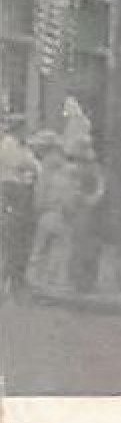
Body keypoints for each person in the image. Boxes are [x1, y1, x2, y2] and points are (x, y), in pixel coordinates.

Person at [28, 132, 75, 289]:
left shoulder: (46, 167)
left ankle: (36, 279)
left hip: (48, 212)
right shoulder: (66, 167)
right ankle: (52, 279)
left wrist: (37, 207)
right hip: (62, 212)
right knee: (59, 247)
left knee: (41, 247)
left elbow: (41, 191)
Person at [0, 116, 40, 300]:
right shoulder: (8, 144)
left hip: (22, 190)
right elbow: (22, 164)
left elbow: (36, 167)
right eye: (23, 128)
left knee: (21, 236)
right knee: (13, 235)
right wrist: (29, 169)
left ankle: (16, 279)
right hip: (10, 189)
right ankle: (10, 279)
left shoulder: (23, 146)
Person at [65, 137, 105, 292]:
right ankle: (81, 280)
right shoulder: (75, 169)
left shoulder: (93, 169)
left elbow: (100, 186)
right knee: (81, 245)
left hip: (88, 209)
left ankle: (86, 280)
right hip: (81, 209)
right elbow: (72, 187)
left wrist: (91, 199)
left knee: (88, 245)